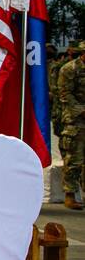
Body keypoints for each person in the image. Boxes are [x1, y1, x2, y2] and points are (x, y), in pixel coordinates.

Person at [59, 41, 85, 210]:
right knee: (74, 159)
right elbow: (64, 94)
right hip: (76, 120)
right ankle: (70, 195)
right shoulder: (70, 69)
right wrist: (81, 110)